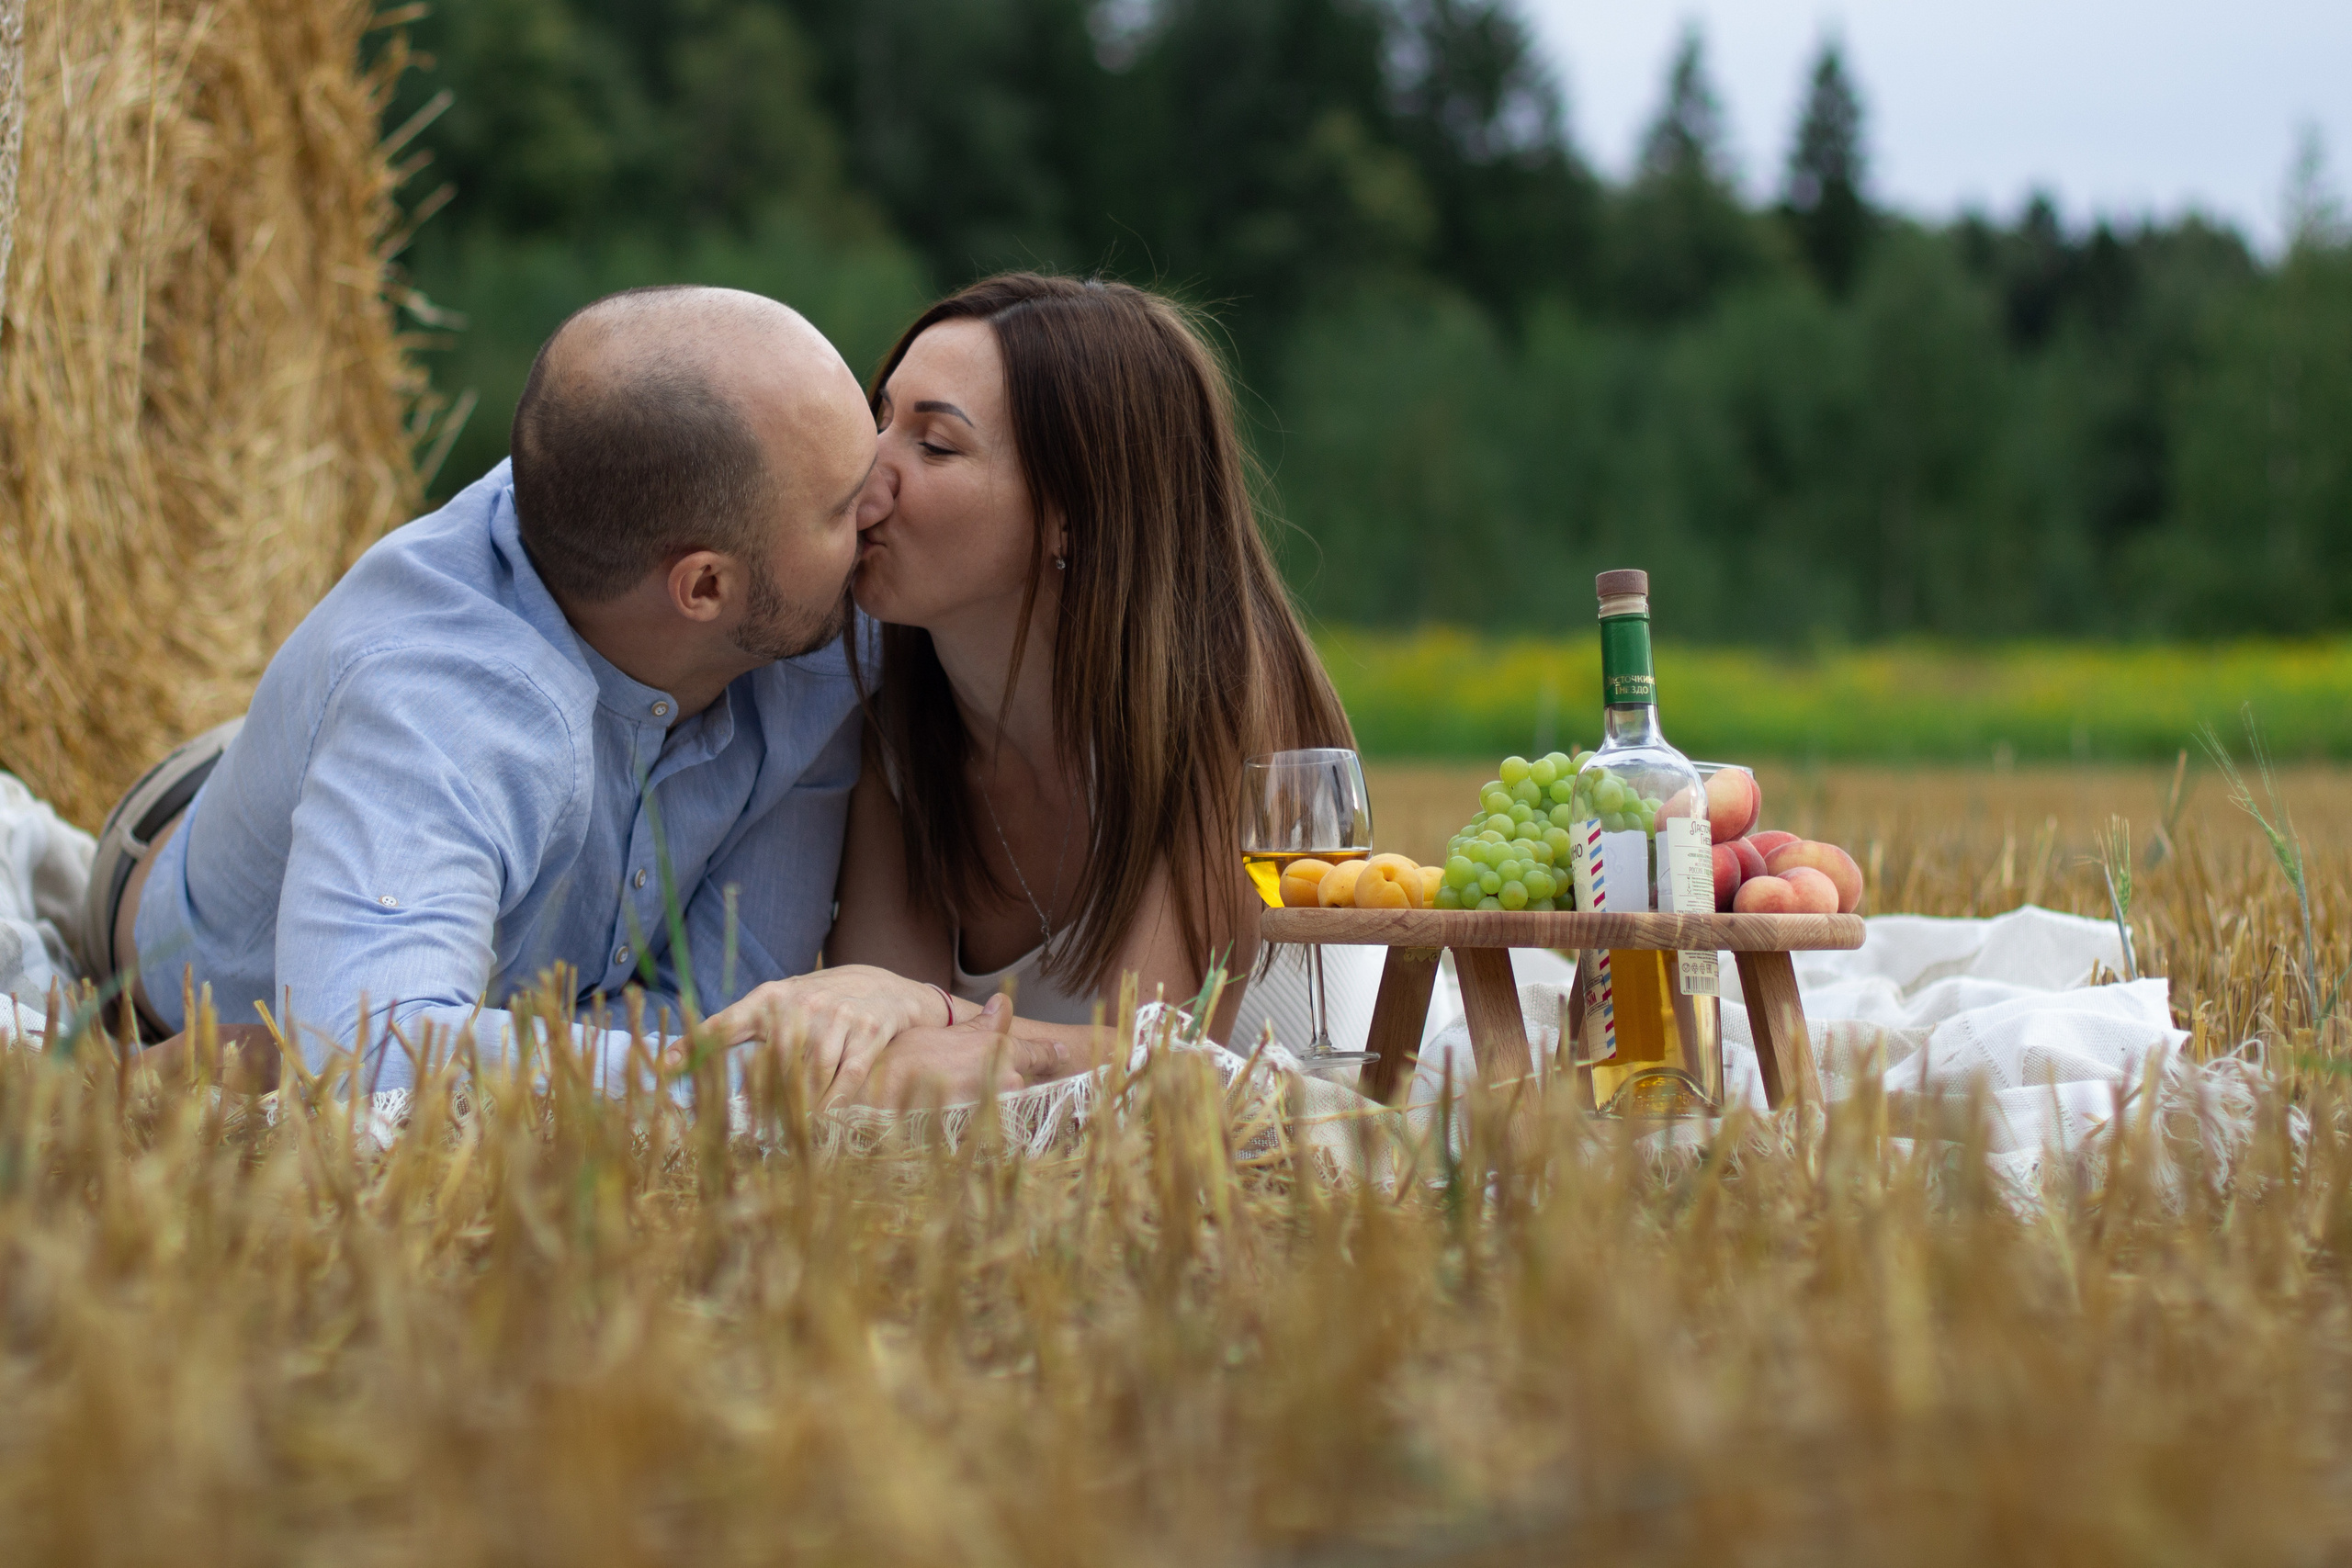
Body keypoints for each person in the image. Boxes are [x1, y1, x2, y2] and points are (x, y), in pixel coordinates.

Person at [80, 285, 1052, 1100]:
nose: (882, 504)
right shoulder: (439, 697)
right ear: (704, 586)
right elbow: (367, 1059)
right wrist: (752, 1081)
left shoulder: (812, 623)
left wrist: (515, 1048)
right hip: (183, 864)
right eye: (843, 504)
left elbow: (726, 1005)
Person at [725, 272, 1351, 1079]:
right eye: (875, 422)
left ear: (1073, 515)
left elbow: (1158, 1062)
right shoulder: (893, 727)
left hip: (1369, 1126)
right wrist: (903, 1020)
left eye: (934, 445)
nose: (861, 473)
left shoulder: (1224, 704)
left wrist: (933, 1010)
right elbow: (885, 1066)